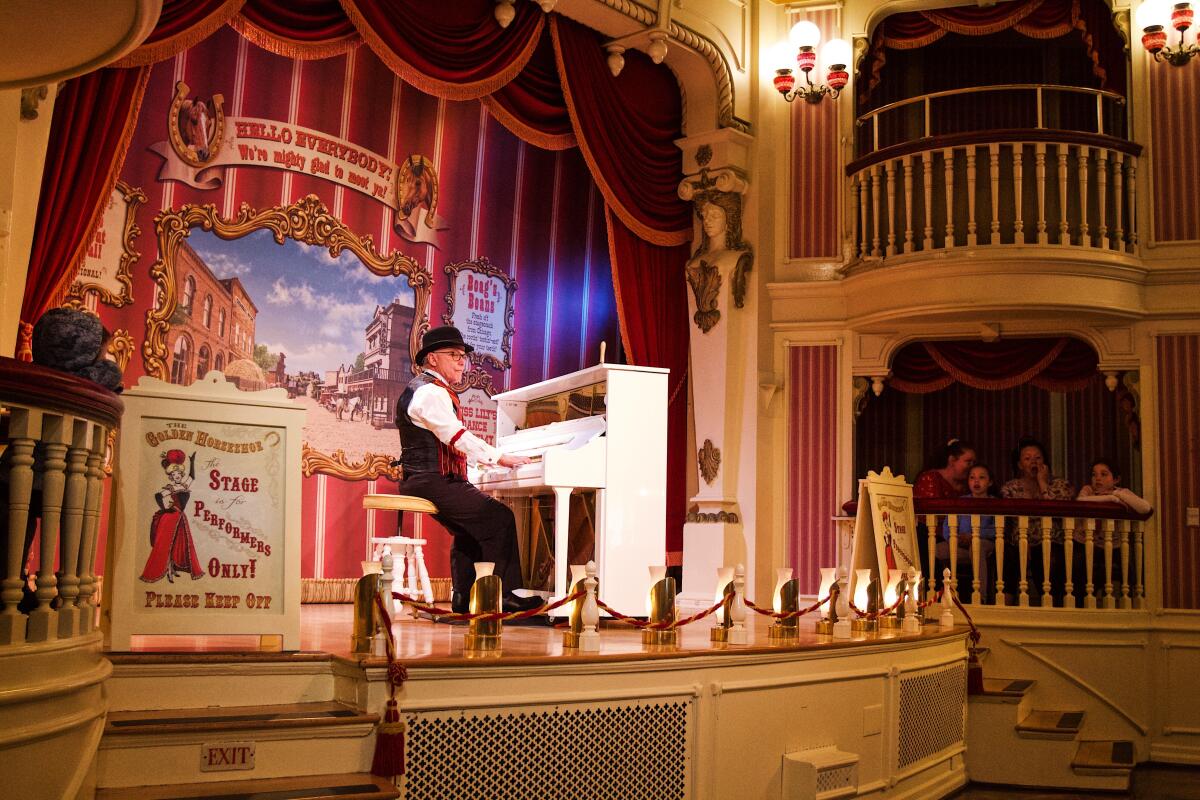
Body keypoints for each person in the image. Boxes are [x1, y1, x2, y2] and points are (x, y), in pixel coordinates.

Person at [394, 325, 540, 615]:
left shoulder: (429, 390)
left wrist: (477, 468)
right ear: (432, 359)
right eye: (454, 355)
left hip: (425, 477)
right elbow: (455, 436)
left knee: (469, 528)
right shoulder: (429, 393)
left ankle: (464, 597)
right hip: (430, 479)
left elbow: (448, 445)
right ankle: (502, 596)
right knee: (500, 518)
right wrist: (500, 458)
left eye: (463, 356)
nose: (462, 361)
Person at [1000, 437, 1073, 604]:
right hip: (1019, 541)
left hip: (1051, 540)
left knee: (1047, 554)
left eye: (1038, 457)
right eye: (1027, 458)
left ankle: (1051, 605)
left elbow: (1059, 510)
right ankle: (1007, 605)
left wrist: (1042, 482)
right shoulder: (1010, 488)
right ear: (1020, 465)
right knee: (1007, 554)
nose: (1033, 462)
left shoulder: (1060, 485)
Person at [140, 450, 204, 583]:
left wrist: (192, 462)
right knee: (167, 544)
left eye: (178, 474)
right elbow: (158, 496)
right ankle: (167, 569)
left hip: (180, 517)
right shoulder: (172, 488)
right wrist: (164, 510)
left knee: (178, 542)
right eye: (173, 474)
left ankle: (173, 567)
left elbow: (192, 477)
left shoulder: (185, 485)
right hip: (171, 517)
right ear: (171, 477)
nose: (176, 476)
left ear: (181, 474)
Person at [938, 464, 998, 602]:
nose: (976, 481)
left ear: (990, 482)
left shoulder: (994, 503)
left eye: (981, 477)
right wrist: (955, 538)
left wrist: (975, 536)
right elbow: (948, 524)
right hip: (960, 544)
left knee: (976, 546)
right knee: (935, 550)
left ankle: (980, 596)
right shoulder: (961, 501)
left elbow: (996, 530)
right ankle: (939, 594)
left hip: (984, 544)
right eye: (972, 478)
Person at [1076, 458, 1151, 514]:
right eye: (1094, 475)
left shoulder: (1121, 492)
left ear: (1116, 479)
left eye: (1103, 474)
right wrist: (1112, 498)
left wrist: (1115, 494)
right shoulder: (1088, 489)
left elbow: (1145, 508)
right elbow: (1080, 500)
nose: (1098, 478)